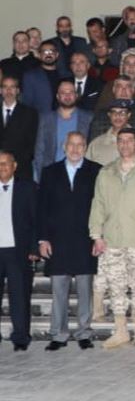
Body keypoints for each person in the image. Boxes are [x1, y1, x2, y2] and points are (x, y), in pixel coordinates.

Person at [89, 127, 135, 349]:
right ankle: (120, 331)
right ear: (117, 144)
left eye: (130, 141)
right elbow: (98, 204)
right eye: (121, 141)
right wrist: (96, 235)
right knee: (116, 286)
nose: (125, 144)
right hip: (113, 239)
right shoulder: (106, 172)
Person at [38, 132, 100, 351]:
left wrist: (99, 237)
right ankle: (58, 334)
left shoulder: (96, 171)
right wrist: (43, 239)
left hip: (85, 240)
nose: (75, 149)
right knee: (59, 291)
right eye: (71, 145)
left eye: (80, 145)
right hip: (57, 240)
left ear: (85, 147)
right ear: (64, 147)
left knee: (85, 290)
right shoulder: (50, 172)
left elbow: (102, 206)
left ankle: (84, 333)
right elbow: (42, 208)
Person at [0, 150, 36, 352]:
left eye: (6, 163)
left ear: (14, 166)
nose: (2, 167)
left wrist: (34, 248)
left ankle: (21, 338)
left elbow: (35, 220)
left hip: (18, 251)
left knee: (20, 296)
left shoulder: (28, 188)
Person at [87, 99, 135, 167]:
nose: (118, 116)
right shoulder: (96, 144)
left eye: (122, 112)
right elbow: (86, 170)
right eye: (114, 112)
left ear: (128, 115)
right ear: (109, 115)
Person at [0, 76, 38, 177]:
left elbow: (32, 144)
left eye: (12, 87)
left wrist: (12, 164)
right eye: (5, 87)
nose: (8, 91)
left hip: (21, 169)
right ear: (1, 90)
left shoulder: (30, 114)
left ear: (18, 91)